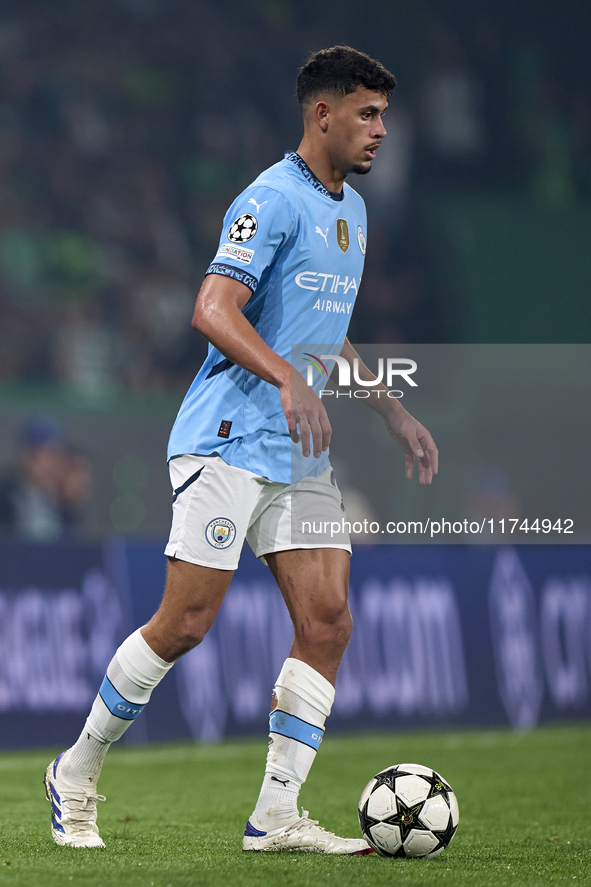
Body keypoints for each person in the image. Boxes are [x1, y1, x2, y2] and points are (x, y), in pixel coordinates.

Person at [44, 45, 438, 853]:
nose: (380, 131)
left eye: (384, 116)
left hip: (298, 454)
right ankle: (75, 771)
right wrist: (288, 382)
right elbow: (213, 308)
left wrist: (388, 406)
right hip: (226, 439)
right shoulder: (269, 198)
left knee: (326, 620)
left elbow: (325, 332)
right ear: (321, 114)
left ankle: (276, 816)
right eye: (367, 114)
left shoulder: (354, 214)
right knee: (185, 623)